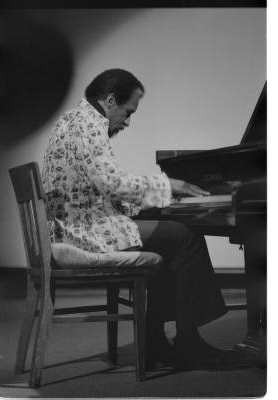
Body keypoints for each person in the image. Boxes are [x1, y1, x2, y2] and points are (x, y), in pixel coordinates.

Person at [42, 69, 235, 371]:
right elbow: (110, 182)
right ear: (109, 100)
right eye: (128, 111)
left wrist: (145, 202)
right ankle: (189, 343)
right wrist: (168, 185)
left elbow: (92, 187)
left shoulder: (70, 120)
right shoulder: (89, 125)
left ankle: (156, 342)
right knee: (185, 237)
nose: (128, 121)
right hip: (85, 233)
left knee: (165, 238)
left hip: (72, 228)